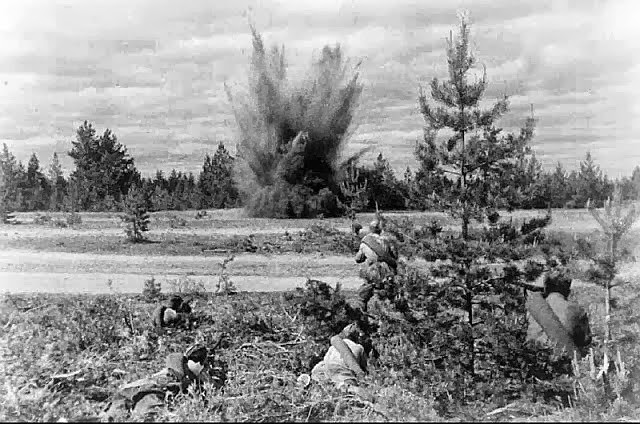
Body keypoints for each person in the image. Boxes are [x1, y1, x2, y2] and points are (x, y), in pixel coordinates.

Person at [101, 343, 224, 422]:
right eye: (204, 365)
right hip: (130, 400)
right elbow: (148, 401)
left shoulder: (180, 372)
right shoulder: (169, 378)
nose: (204, 369)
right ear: (198, 363)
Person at [527, 271, 592, 351]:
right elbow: (585, 340)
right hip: (563, 358)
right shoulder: (577, 311)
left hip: (531, 357)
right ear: (568, 290)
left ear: (546, 287)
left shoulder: (531, 308)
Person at [354, 219, 398, 311]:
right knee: (392, 295)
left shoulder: (365, 241)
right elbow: (395, 257)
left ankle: (363, 316)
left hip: (373, 273)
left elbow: (358, 259)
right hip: (387, 273)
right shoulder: (387, 241)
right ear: (380, 230)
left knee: (362, 296)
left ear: (370, 229)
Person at [310, 323, 368, 392]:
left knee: (324, 382)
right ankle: (345, 386)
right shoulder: (359, 348)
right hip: (342, 369)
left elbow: (326, 359)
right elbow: (366, 367)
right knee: (350, 386)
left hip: (326, 367)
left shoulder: (333, 346)